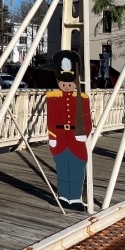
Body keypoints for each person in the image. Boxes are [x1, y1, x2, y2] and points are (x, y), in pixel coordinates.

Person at [45, 50, 91, 211]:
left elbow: (87, 120)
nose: (66, 86)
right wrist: (52, 136)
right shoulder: (52, 97)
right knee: (63, 168)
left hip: (75, 138)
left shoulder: (82, 98)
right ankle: (64, 197)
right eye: (63, 83)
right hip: (60, 138)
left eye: (70, 82)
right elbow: (50, 119)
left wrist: (83, 134)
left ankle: (75, 198)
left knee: (78, 168)